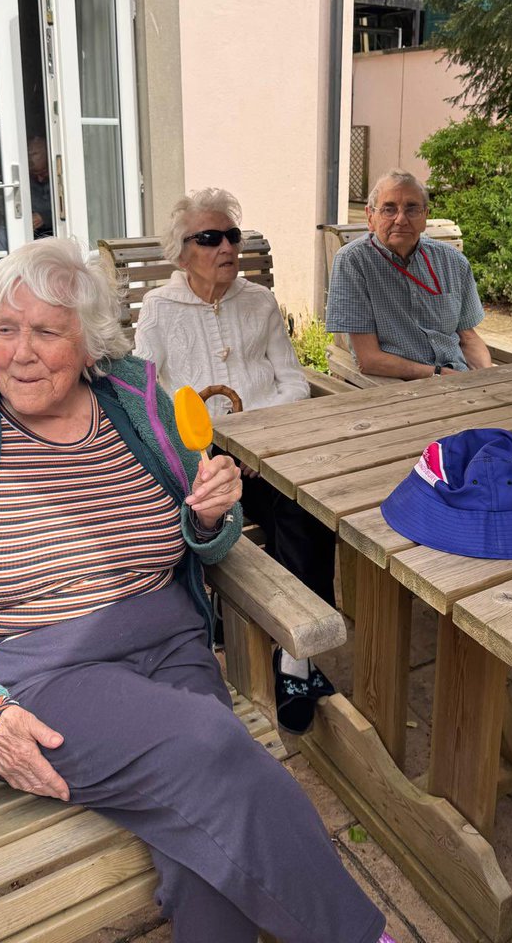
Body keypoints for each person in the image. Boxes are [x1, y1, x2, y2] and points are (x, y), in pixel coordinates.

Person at [0, 238, 392, 943]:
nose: (20, 351)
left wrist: (209, 517)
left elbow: (203, 531)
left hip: (170, 642)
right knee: (215, 747)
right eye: (4, 327)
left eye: (47, 331)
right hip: (39, 673)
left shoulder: (136, 399)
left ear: (90, 344)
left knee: (207, 851)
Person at [134, 189, 338, 736]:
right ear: (182, 252)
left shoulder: (260, 301)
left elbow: (294, 381)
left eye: (232, 236)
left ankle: (295, 660)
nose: (226, 246)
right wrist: (209, 444)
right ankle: (234, 627)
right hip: (198, 453)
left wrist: (256, 433)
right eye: (210, 238)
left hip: (269, 445)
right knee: (217, 516)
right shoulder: (159, 308)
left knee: (309, 512)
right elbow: (145, 395)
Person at [326, 168, 492, 379]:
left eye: (412, 209)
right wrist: (438, 374)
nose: (401, 219)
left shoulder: (453, 262)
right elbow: (368, 359)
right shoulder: (354, 262)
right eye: (389, 209)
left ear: (425, 216)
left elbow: (468, 338)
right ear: (370, 217)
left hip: (458, 379)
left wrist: (487, 379)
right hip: (399, 385)